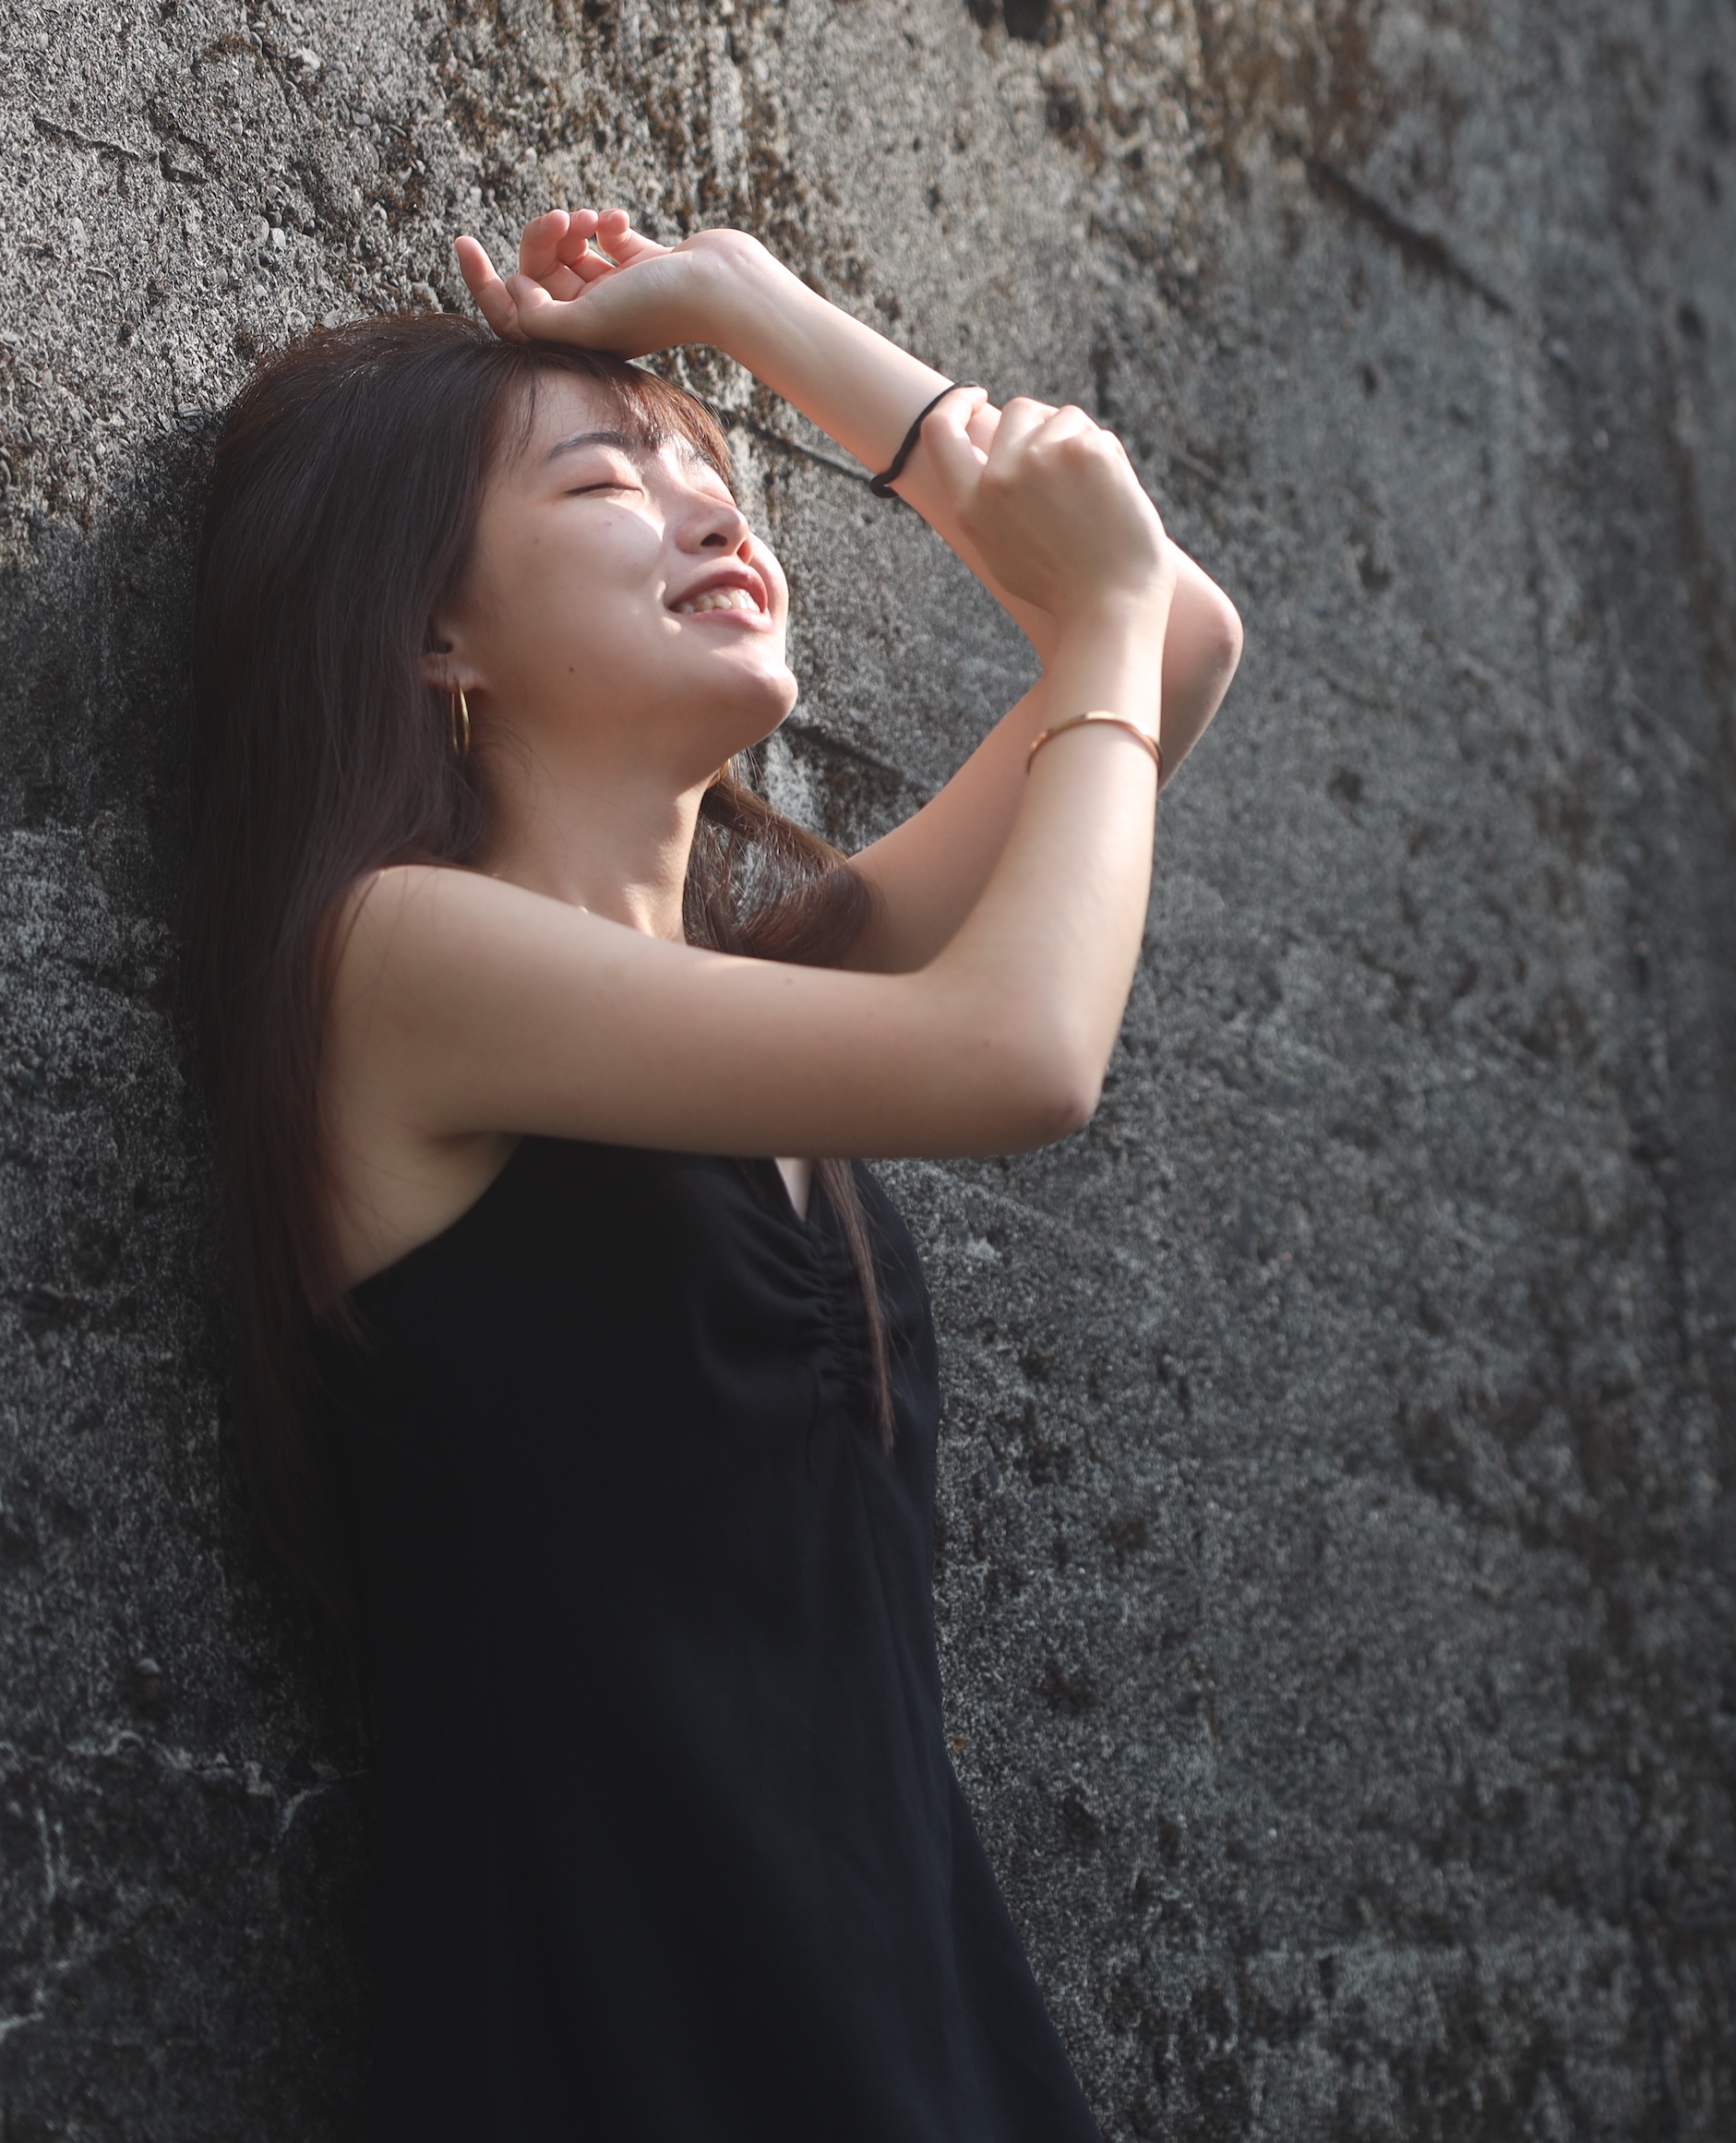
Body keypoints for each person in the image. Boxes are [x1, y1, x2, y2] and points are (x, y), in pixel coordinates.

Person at [182, 208, 1242, 2140]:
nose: (708, 513)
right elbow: (1026, 1050)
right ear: (433, 634)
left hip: (921, 2044)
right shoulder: (398, 965)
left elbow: (1173, 633)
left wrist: (755, 308)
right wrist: (1082, 611)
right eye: (608, 482)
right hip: (631, 2050)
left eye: (718, 476)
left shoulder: (766, 1000)